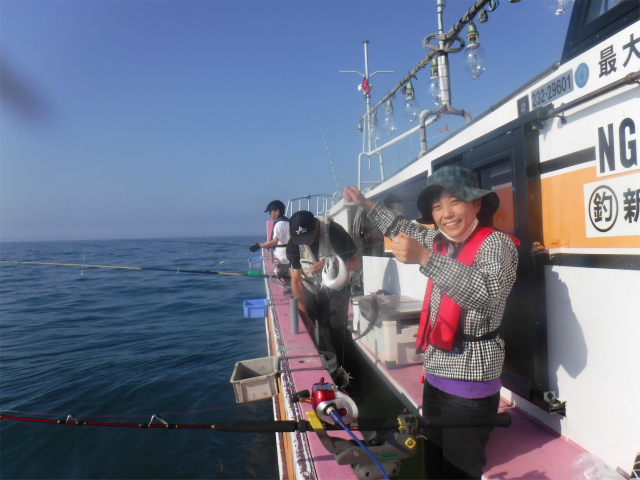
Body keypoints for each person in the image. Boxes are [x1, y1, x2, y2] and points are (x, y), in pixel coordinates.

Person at [343, 165, 519, 480]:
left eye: (455, 202)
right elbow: (399, 226)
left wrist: (425, 258)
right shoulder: (439, 239)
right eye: (437, 206)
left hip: (471, 384)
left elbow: (487, 293)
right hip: (436, 375)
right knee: (434, 461)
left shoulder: (497, 244)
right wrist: (366, 205)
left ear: (476, 204)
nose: (445, 213)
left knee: (460, 470)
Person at [286, 210, 360, 368]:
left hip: (336, 285)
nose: (305, 242)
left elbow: (355, 263)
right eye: (301, 239)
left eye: (308, 237)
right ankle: (320, 367)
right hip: (309, 285)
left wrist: (330, 263)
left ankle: (350, 371)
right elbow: (296, 281)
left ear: (317, 226)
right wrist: (305, 315)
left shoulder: (334, 231)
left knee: (337, 330)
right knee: (308, 328)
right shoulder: (293, 242)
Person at [249, 200, 290, 276]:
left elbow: (274, 242)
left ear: (277, 211)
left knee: (278, 273)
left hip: (284, 259)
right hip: (290, 256)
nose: (269, 214)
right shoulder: (288, 222)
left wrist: (258, 246)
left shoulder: (279, 224)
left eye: (270, 211)